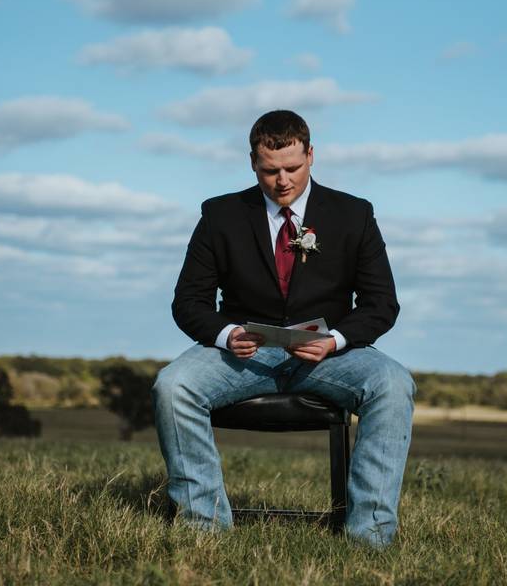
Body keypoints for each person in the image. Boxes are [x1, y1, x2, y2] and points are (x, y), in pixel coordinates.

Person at [152, 109, 415, 548]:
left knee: (393, 383)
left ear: (312, 155)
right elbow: (188, 302)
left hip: (331, 355)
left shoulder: (355, 214)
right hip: (242, 353)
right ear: (252, 162)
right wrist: (226, 335)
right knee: (172, 386)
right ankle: (205, 528)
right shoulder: (220, 215)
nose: (282, 181)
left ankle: (370, 538)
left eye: (293, 168)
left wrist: (335, 341)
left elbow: (382, 304)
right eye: (270, 170)